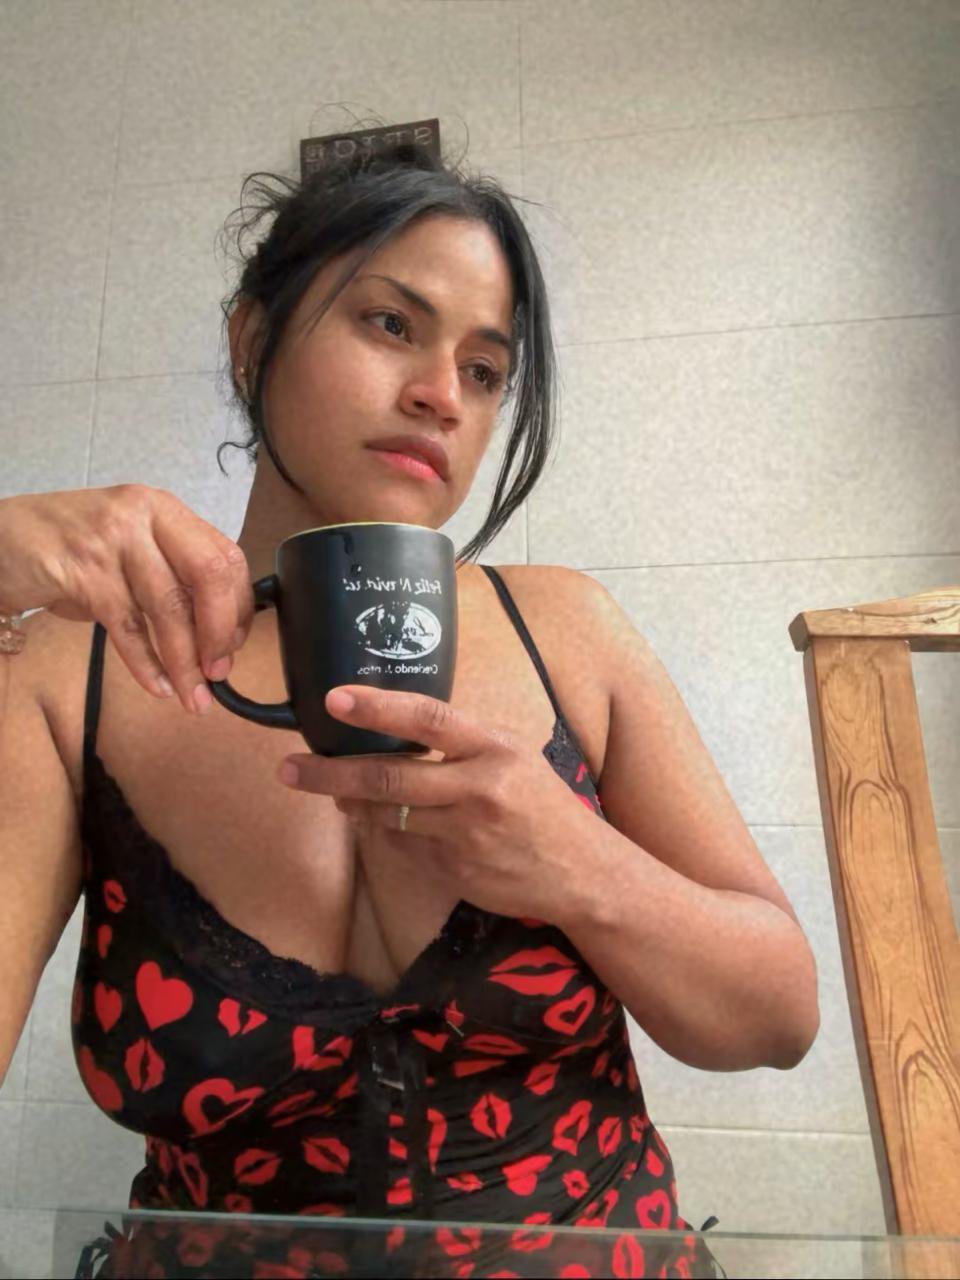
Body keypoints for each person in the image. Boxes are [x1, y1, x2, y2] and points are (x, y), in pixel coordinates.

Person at [0, 133, 818, 1279]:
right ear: (252, 339)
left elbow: (779, 1015)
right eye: (391, 323)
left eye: (484, 371)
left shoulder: (567, 630)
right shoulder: (70, 670)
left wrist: (579, 862)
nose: (441, 395)